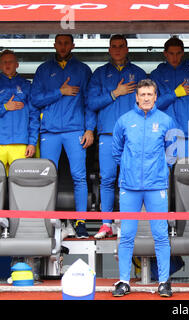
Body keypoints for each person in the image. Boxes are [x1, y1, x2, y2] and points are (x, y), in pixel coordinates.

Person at [111, 79, 176, 298]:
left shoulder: (166, 121)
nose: (146, 98)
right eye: (142, 95)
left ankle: (164, 282)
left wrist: (160, 170)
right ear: (136, 97)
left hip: (156, 185)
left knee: (161, 235)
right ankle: (123, 281)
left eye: (150, 94)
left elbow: (172, 152)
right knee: (127, 235)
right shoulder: (124, 121)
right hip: (129, 186)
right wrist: (129, 169)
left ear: (156, 96)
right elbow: (116, 151)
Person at [31, 34, 95, 238]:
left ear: (73, 45)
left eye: (66, 43)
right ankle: (48, 220)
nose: (63, 46)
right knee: (48, 177)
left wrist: (89, 129)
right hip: (49, 131)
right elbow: (35, 100)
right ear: (54, 45)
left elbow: (89, 102)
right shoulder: (43, 69)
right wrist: (60, 91)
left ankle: (80, 221)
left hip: (75, 129)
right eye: (59, 43)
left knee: (79, 176)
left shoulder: (83, 69)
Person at [87, 34, 147, 239]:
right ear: (109, 49)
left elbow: (149, 103)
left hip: (134, 135)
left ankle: (129, 221)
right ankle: (106, 224)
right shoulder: (100, 74)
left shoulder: (138, 73)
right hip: (108, 134)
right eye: (114, 46)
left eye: (121, 46)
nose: (118, 49)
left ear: (127, 48)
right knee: (107, 179)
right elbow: (91, 104)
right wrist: (115, 93)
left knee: (131, 179)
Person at [150, 36, 189, 158]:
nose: (175, 57)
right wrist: (174, 94)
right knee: (164, 175)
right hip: (164, 134)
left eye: (178, 53)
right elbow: (152, 105)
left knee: (187, 175)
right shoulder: (156, 75)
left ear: (183, 53)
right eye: (171, 53)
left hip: (187, 136)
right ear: (165, 53)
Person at [0, 49, 39, 174]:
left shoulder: (26, 85)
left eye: (10, 62)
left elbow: (34, 116)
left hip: (20, 142)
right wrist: (5, 107)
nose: (7, 65)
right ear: (0, 65)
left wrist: (32, 143)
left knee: (20, 184)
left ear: (17, 64)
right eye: (4, 62)